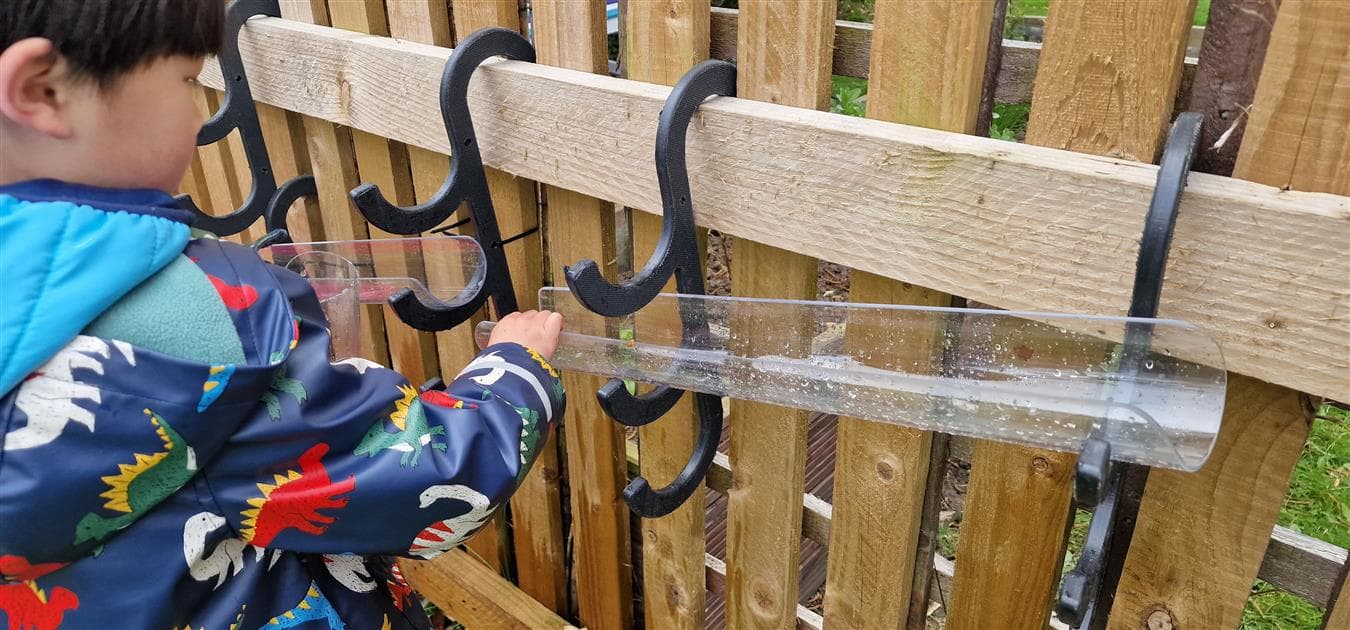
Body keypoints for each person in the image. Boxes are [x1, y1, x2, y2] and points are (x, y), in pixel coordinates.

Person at [0, 2, 565, 628]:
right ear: (43, 90)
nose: (199, 114)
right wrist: (515, 370)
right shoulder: (215, 326)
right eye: (186, 80)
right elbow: (430, 477)